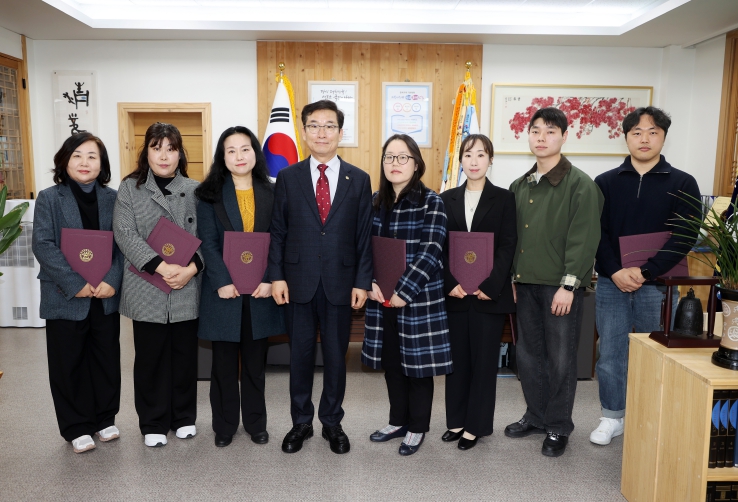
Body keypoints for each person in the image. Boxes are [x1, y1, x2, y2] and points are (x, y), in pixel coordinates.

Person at [268, 100, 373, 455]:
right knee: (298, 356)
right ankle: (301, 422)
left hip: (341, 283)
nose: (322, 132)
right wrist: (277, 276)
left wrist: (362, 280)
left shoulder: (358, 179)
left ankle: (332, 422)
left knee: (335, 355)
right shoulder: (288, 177)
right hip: (297, 281)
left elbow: (363, 236)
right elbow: (278, 231)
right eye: (314, 125)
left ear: (340, 133)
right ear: (304, 131)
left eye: (329, 126)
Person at [590, 107, 700, 445]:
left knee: (659, 353)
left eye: (652, 132)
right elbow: (596, 232)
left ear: (664, 136)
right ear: (626, 137)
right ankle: (612, 417)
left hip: (659, 285)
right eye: (637, 132)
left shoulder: (683, 182)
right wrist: (615, 271)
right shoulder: (605, 182)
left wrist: (647, 270)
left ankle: (654, 415)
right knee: (610, 354)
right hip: (611, 284)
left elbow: (685, 235)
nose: (644, 138)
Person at [504, 107, 604, 457]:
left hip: (560, 286)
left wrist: (569, 285)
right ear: (527, 136)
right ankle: (535, 415)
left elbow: (584, 239)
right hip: (525, 285)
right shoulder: (520, 185)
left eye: (549, 131)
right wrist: (511, 278)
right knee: (529, 356)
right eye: (535, 131)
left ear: (564, 135)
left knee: (560, 359)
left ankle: (559, 426)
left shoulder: (581, 185)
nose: (541, 137)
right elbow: (513, 238)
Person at [32, 132, 124, 454]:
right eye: (77, 155)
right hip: (64, 295)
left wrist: (113, 278)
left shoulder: (114, 199)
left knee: (106, 358)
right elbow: (43, 245)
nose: (85, 162)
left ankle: (104, 418)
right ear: (65, 160)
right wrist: (75, 283)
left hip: (104, 294)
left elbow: (123, 244)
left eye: (92, 156)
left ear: (102, 164)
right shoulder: (49, 198)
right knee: (67, 361)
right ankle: (76, 426)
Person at [113, 122, 203, 448]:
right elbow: (125, 233)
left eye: (171, 148)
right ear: (146, 151)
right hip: (146, 285)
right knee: (149, 358)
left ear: (180, 153)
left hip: (185, 285)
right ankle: (152, 421)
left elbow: (208, 238)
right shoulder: (129, 188)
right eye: (156, 147)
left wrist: (191, 269)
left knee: (184, 356)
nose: (164, 155)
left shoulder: (196, 189)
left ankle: (183, 417)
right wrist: (163, 266)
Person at [362, 134, 452, 456]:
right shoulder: (374, 201)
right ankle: (397, 420)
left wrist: (403, 290)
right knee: (392, 363)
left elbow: (431, 251)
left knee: (418, 367)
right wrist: (369, 281)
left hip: (417, 300)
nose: (395, 163)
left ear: (416, 164)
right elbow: (363, 248)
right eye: (389, 157)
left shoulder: (432, 201)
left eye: (403, 158)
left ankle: (417, 427)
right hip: (380, 298)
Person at [195, 126, 285, 448]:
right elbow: (207, 241)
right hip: (223, 293)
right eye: (230, 150)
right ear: (222, 156)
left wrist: (268, 279)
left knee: (254, 364)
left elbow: (278, 240)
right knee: (222, 365)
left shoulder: (274, 192)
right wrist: (221, 281)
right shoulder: (208, 194)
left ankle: (256, 423)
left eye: (244, 149)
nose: (238, 156)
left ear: (255, 153)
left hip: (261, 292)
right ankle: (224, 425)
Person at [439, 134, 517, 451]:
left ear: (490, 160)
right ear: (460, 160)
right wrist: (449, 282)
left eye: (481, 155)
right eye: (468, 155)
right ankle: (456, 421)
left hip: (489, 296)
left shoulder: (504, 198)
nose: (474, 161)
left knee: (484, 363)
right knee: (456, 362)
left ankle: (476, 425)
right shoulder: (445, 199)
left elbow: (508, 245)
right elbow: (439, 247)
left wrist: (490, 285)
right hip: (455, 294)